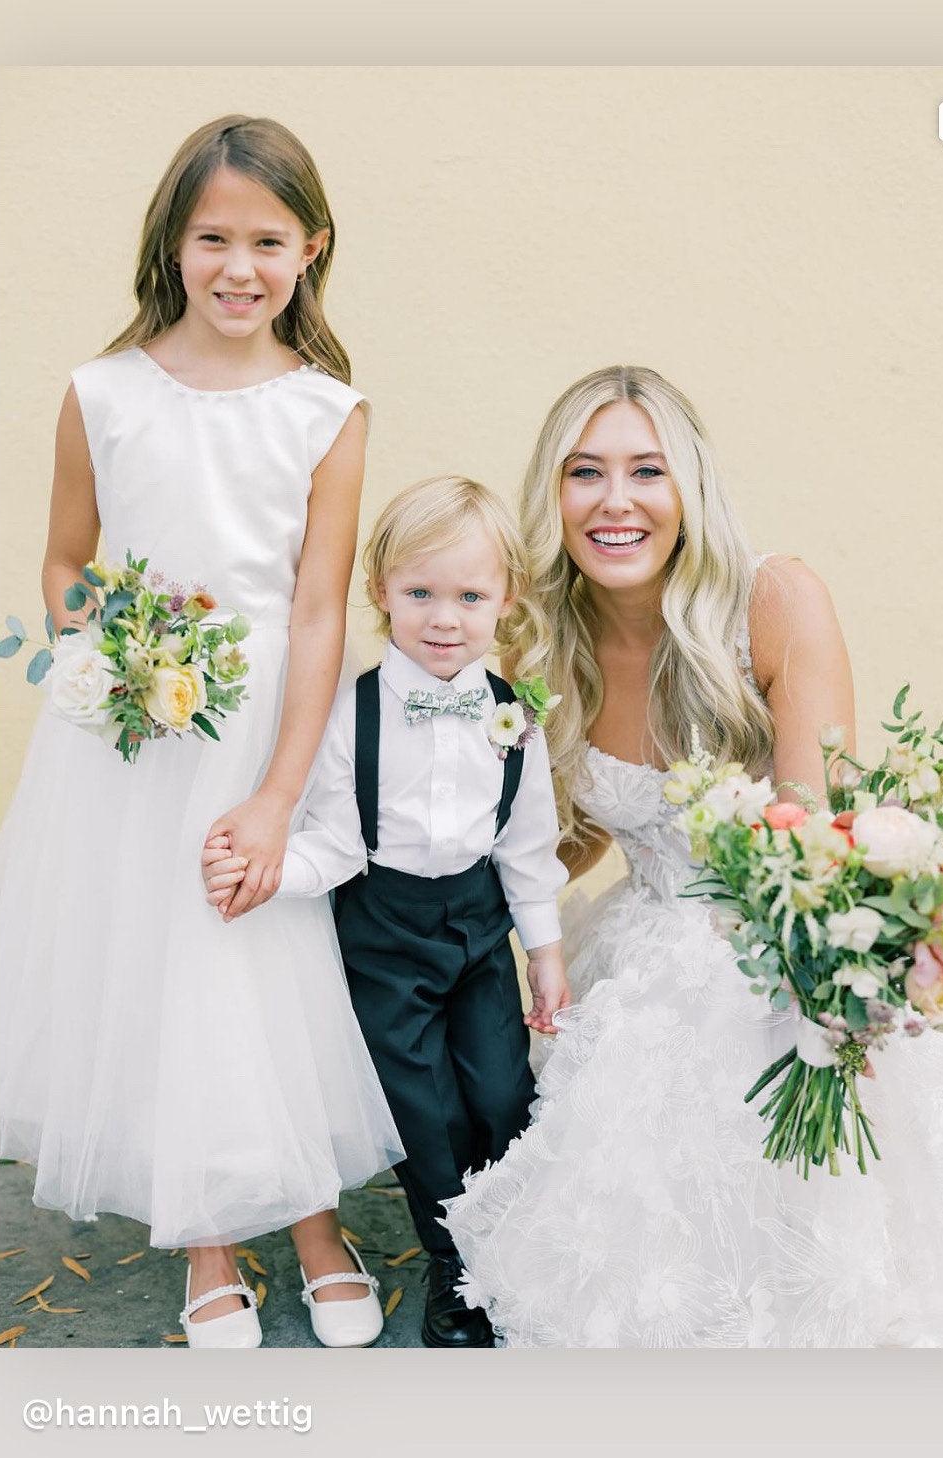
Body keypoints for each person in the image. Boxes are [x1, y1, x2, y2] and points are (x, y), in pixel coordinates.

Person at [440, 366, 943, 1348]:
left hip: (779, 927)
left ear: (690, 488)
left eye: (647, 471)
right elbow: (585, 832)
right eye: (585, 472)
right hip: (638, 931)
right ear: (554, 493)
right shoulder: (541, 642)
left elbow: (814, 828)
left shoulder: (774, 600)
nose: (615, 501)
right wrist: (451, 899)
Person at [0, 115, 405, 1350]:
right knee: (164, 969)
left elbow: (318, 608)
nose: (239, 267)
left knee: (267, 963)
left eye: (268, 241)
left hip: (265, 724)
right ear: (172, 245)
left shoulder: (328, 411)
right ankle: (208, 1247)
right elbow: (67, 562)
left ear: (311, 248)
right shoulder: (102, 394)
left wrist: (279, 795)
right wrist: (109, 657)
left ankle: (318, 1228)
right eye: (213, 238)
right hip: (135, 737)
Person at [203, 475, 570, 1346]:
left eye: (470, 597)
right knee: (425, 1112)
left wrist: (545, 952)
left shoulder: (517, 717)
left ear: (506, 598)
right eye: (420, 594)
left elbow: (526, 845)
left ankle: (512, 1248)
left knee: (504, 1093)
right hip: (383, 936)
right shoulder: (350, 714)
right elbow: (334, 842)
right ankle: (454, 1266)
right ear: (380, 591)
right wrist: (271, 871)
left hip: (478, 931)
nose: (445, 619)